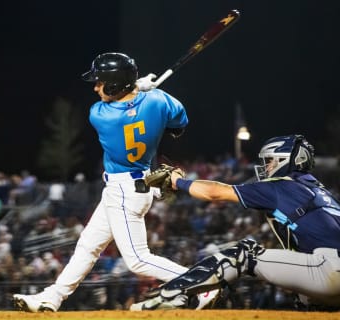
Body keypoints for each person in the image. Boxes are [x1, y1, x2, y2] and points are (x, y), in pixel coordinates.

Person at [13, 52, 219, 312]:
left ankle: (203, 282)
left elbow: (121, 107)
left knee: (137, 260)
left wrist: (138, 88)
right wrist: (144, 92)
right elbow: (179, 124)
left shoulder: (100, 115)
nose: (96, 88)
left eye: (100, 83)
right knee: (88, 245)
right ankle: (51, 297)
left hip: (125, 191)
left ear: (114, 85)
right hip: (134, 185)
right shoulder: (159, 100)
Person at [131, 134, 340, 310]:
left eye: (269, 161)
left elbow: (215, 192)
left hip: (330, 269)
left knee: (245, 253)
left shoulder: (281, 187)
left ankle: (166, 298)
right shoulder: (321, 193)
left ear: (284, 160)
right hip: (330, 271)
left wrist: (177, 181)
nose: (265, 167)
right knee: (303, 299)